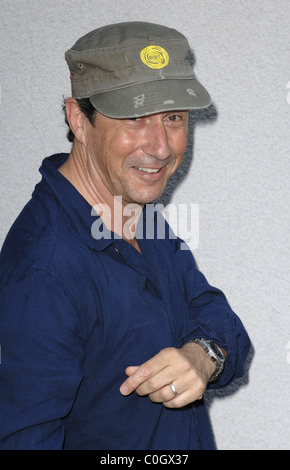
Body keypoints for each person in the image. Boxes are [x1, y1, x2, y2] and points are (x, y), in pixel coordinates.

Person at [0, 21, 250, 450]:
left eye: (173, 118)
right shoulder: (43, 270)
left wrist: (201, 357)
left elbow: (223, 324)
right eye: (134, 118)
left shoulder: (132, 211)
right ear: (79, 119)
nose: (160, 147)